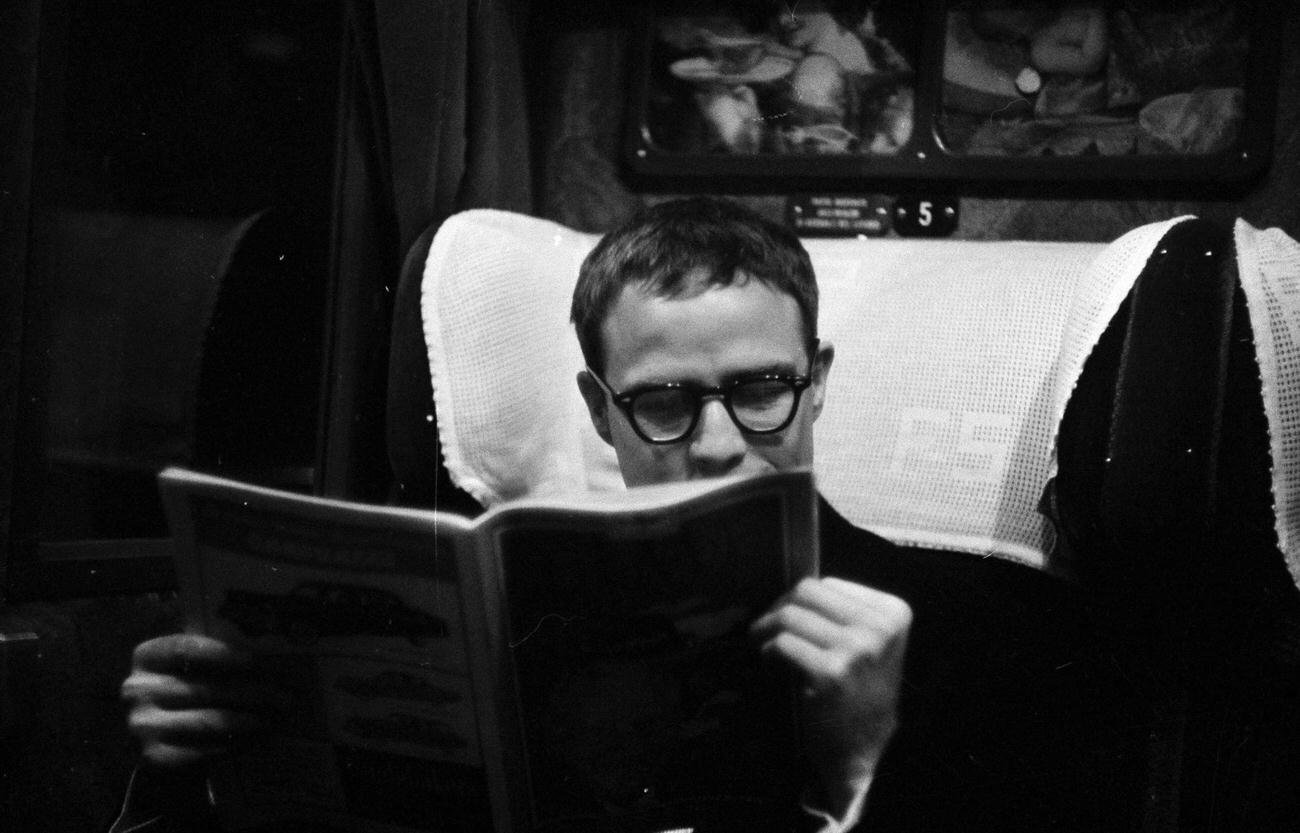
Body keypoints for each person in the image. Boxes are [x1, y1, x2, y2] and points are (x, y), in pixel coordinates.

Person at [118, 197, 1143, 832]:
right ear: (599, 413)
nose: (715, 440)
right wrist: (206, 765)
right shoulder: (497, 613)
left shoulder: (995, 629)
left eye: (760, 388)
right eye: (661, 401)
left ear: (818, 383)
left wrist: (859, 766)